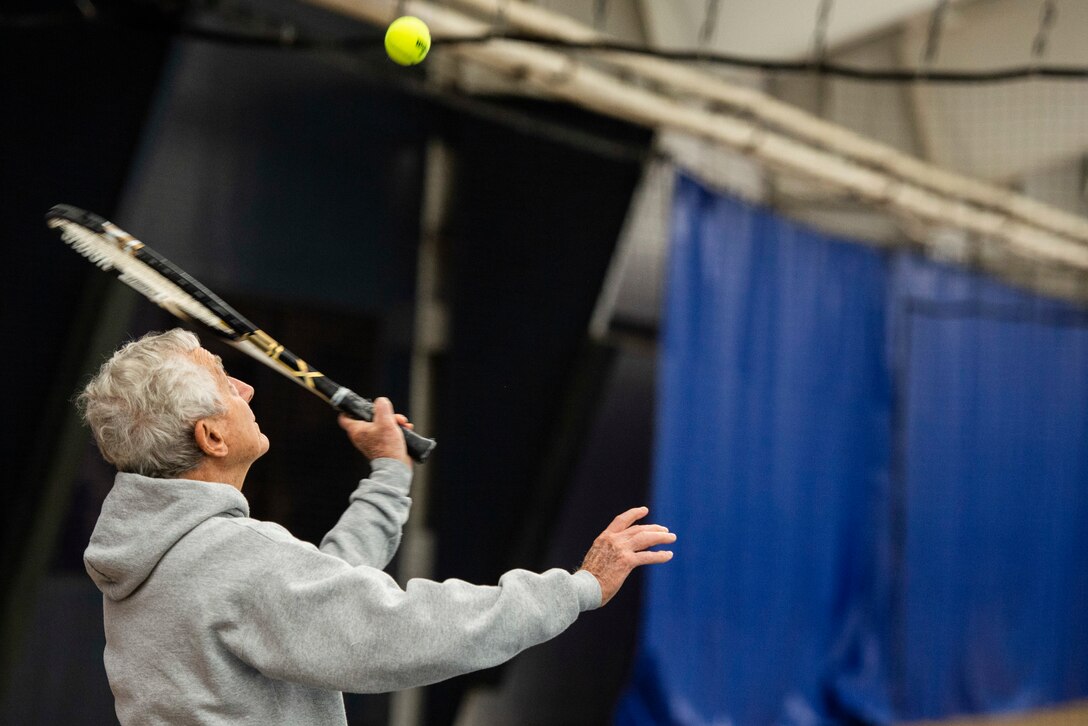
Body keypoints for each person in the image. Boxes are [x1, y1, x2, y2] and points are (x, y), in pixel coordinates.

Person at [79, 328, 675, 725]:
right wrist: (579, 588)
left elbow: (322, 589)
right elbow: (401, 631)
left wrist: (389, 474)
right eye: (225, 381)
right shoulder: (232, 558)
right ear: (211, 436)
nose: (248, 386)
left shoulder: (153, 555)